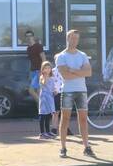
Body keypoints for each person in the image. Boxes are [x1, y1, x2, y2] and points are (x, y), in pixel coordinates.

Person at [55, 29, 94, 158]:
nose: (74, 41)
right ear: (67, 39)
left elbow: (88, 73)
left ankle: (86, 147)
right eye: (72, 38)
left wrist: (72, 69)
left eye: (77, 38)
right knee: (65, 118)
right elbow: (65, 76)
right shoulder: (61, 56)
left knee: (83, 119)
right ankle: (63, 147)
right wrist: (79, 71)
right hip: (67, 90)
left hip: (81, 90)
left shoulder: (82, 55)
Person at [36, 61, 57, 140]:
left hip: (50, 98)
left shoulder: (51, 78)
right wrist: (45, 76)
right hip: (44, 98)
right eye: (45, 68)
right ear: (42, 69)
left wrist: (54, 91)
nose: (47, 70)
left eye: (49, 68)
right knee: (43, 115)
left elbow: (52, 87)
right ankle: (42, 133)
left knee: (48, 115)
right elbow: (43, 83)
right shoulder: (42, 77)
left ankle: (48, 131)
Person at [25, 30, 45, 101]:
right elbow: (31, 61)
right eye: (27, 36)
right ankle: (40, 111)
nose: (29, 38)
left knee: (31, 91)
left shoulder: (38, 46)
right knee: (38, 93)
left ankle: (42, 106)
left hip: (39, 72)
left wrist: (42, 72)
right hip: (33, 72)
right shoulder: (28, 49)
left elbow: (44, 59)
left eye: (30, 36)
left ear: (33, 37)